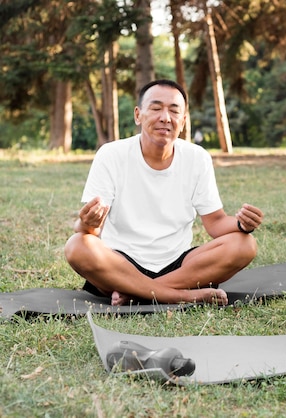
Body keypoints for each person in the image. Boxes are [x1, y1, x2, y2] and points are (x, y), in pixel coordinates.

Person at [65, 79, 263, 306]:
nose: (165, 118)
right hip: (121, 263)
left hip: (179, 265)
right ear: (138, 115)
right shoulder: (111, 155)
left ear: (184, 120)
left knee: (245, 245)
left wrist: (241, 225)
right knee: (77, 245)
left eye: (174, 111)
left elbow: (215, 223)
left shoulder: (197, 158)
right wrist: (85, 223)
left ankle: (138, 293)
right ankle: (181, 296)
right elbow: (90, 231)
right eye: (156, 108)